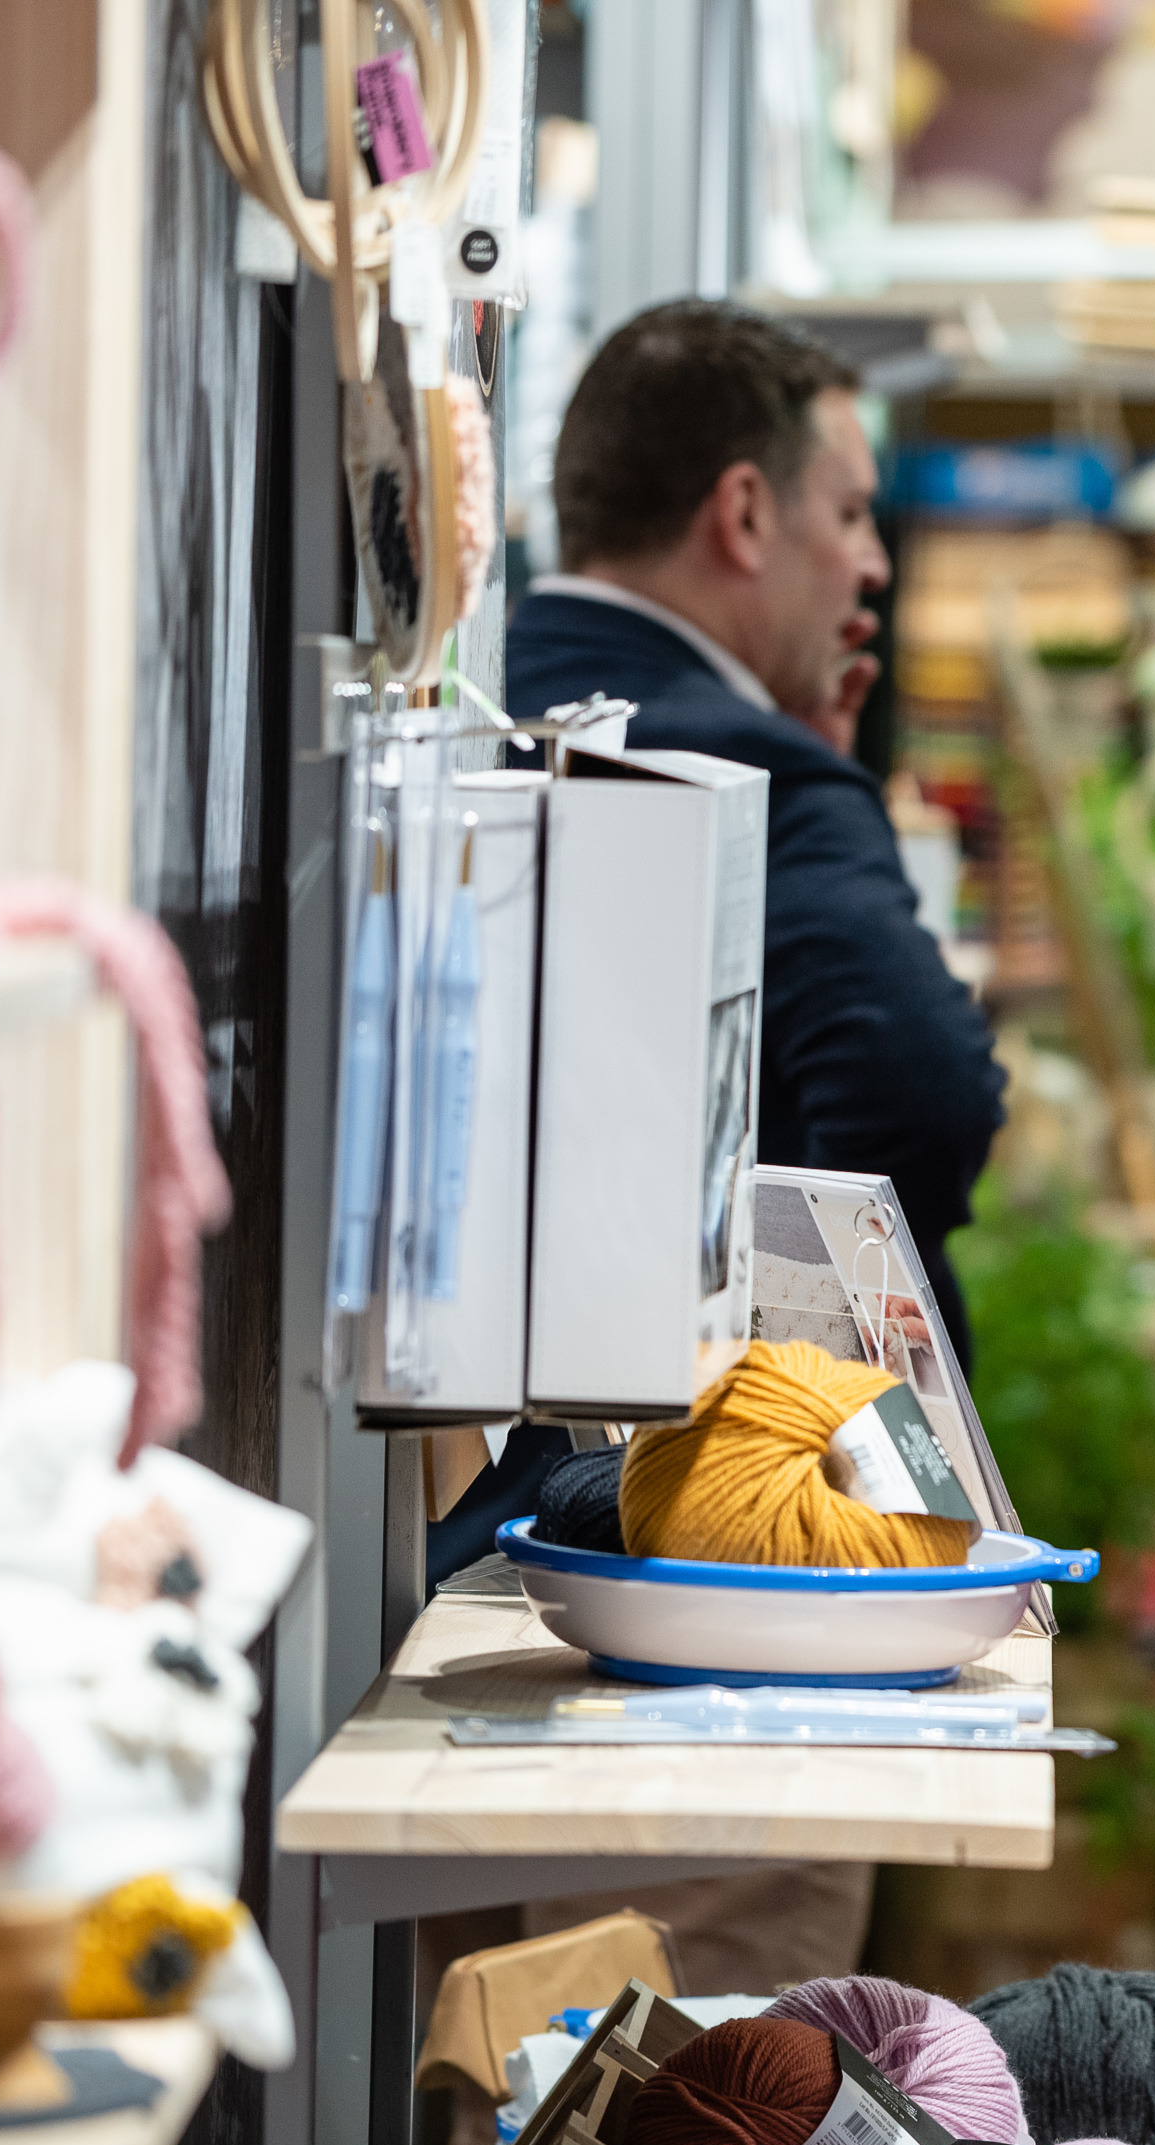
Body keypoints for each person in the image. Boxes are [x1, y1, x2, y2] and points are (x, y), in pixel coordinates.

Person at [449, 302, 1010, 1979]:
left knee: (487, 2102)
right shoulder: (756, 766)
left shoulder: (472, 696)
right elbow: (927, 1090)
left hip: (467, 1550)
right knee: (711, 2118)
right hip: (730, 1571)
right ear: (745, 512)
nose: (876, 568)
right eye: (853, 513)